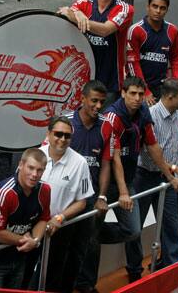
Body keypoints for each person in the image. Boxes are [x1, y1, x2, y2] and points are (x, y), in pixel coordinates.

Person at [102, 76, 178, 282]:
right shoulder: (113, 117)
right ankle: (129, 269)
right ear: (123, 93)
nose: (138, 98)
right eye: (132, 93)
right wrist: (123, 191)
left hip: (134, 178)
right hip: (118, 178)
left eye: (141, 94)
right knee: (125, 229)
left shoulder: (143, 112)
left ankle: (172, 267)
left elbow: (153, 145)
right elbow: (115, 158)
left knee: (146, 228)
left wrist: (170, 176)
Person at [125, 78, 178, 276]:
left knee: (172, 225)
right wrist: (175, 168)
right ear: (169, 97)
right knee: (135, 228)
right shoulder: (149, 116)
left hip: (169, 178)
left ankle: (172, 266)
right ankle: (134, 270)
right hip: (145, 177)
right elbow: (148, 153)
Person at [69, 80, 120, 293]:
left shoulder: (107, 125)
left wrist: (102, 196)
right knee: (64, 243)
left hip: (91, 197)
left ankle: (87, 285)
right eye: (94, 101)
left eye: (101, 102)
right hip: (66, 196)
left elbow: (106, 164)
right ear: (82, 99)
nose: (98, 106)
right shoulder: (66, 122)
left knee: (90, 243)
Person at [59, 0, 134, 105]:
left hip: (110, 81)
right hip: (84, 79)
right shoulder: (85, 2)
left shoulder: (124, 9)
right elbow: (66, 10)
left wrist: (77, 18)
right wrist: (77, 12)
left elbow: (105, 30)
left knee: (104, 123)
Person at [0, 148, 51, 289]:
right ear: (21, 165)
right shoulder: (4, 193)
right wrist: (27, 242)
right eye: (31, 168)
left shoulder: (45, 190)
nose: (35, 174)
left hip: (19, 258)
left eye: (40, 170)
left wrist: (35, 240)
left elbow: (44, 218)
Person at [38, 115, 94, 292]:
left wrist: (60, 218)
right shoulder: (36, 156)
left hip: (59, 230)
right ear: (48, 134)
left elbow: (82, 202)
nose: (62, 139)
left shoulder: (80, 163)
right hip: (32, 226)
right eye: (58, 134)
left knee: (53, 275)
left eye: (67, 136)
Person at [126, 0, 178, 105]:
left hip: (161, 87)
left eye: (162, 8)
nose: (158, 11)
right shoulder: (136, 30)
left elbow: (176, 58)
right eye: (154, 6)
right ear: (148, 7)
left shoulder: (172, 30)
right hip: (138, 88)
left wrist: (175, 83)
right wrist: (144, 91)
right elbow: (132, 63)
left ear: (166, 10)